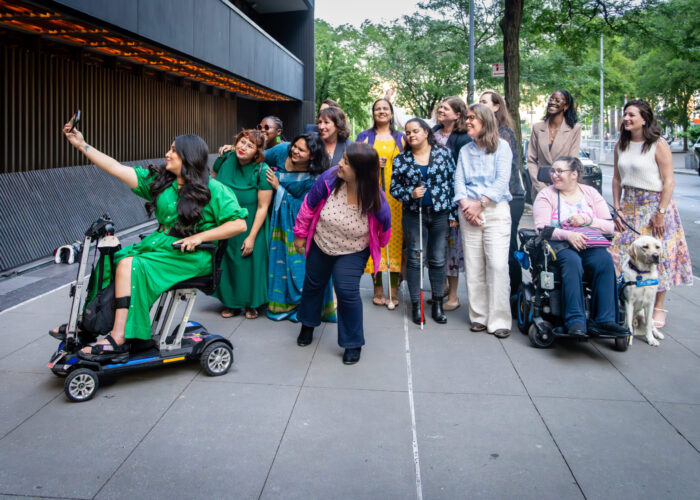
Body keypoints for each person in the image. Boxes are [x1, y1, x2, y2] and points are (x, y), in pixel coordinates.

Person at [54, 126, 248, 356]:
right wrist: (81, 145)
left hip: (190, 254)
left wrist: (200, 237)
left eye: (174, 150)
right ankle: (89, 325)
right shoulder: (163, 181)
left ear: (189, 157)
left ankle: (121, 336)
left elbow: (239, 224)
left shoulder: (215, 189)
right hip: (159, 246)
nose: (167, 153)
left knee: (130, 265)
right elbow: (116, 169)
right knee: (112, 260)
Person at [293, 143, 391, 365]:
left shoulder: (377, 199)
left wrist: (378, 247)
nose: (339, 163)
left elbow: (385, 228)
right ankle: (307, 324)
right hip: (322, 241)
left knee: (346, 290)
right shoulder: (329, 179)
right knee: (313, 283)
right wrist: (300, 234)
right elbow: (309, 205)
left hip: (353, 250)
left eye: (346, 162)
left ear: (360, 170)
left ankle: (352, 343)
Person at [611, 100, 693, 328]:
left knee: (657, 257)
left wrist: (661, 213)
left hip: (654, 204)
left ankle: (657, 307)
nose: (626, 118)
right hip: (628, 206)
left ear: (644, 119)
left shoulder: (658, 144)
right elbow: (617, 179)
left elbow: (669, 181)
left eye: (632, 115)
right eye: (625, 114)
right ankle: (626, 302)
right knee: (619, 253)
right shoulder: (621, 143)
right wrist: (616, 208)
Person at [533, 156, 628, 336]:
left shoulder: (590, 193)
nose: (554, 175)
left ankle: (605, 320)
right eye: (553, 171)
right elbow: (541, 228)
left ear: (574, 174)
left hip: (590, 244)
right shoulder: (546, 195)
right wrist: (568, 234)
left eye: (560, 171)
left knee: (604, 260)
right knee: (572, 262)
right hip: (560, 246)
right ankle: (575, 320)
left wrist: (587, 220)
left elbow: (609, 226)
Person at [453, 103, 512, 338]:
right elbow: (458, 181)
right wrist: (468, 207)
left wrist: (480, 205)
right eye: (467, 117)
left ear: (485, 121)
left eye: (472, 118)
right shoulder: (465, 151)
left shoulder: (502, 148)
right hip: (469, 211)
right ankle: (478, 316)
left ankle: (499, 320)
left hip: (495, 211)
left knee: (497, 265)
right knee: (474, 265)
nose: (467, 121)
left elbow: (501, 181)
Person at [264, 133, 336, 322]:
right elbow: (258, 157)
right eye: (294, 146)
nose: (294, 150)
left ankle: (303, 305)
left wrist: (278, 187)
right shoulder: (281, 151)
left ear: (312, 156)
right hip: (273, 219)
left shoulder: (314, 178)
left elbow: (302, 207)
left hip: (299, 227)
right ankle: (281, 304)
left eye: (301, 150)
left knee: (299, 267)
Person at [390, 118, 455, 324]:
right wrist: (410, 192)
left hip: (439, 214)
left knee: (437, 259)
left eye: (415, 131)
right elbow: (394, 188)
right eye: (408, 133)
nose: (411, 135)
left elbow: (453, 184)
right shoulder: (402, 159)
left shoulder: (444, 154)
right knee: (415, 258)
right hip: (413, 214)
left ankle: (437, 303)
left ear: (426, 132)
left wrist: (453, 214)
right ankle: (416, 306)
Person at [212, 129, 274, 319]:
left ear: (257, 152)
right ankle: (230, 303)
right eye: (242, 142)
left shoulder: (262, 171)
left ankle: (251, 304)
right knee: (227, 262)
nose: (243, 147)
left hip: (251, 224)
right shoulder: (224, 158)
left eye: (250, 146)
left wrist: (252, 236)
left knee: (249, 263)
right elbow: (211, 183)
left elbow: (263, 207)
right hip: (225, 221)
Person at [357, 98, 406, 308]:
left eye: (386, 108)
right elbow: (355, 164)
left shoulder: (402, 138)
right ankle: (377, 289)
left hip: (396, 199)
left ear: (392, 113)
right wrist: (371, 163)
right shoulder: (364, 137)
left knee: (395, 242)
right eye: (378, 108)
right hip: (372, 195)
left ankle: (393, 290)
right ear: (373, 113)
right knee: (373, 239)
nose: (382, 111)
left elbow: (409, 164)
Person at [479, 91, 526, 311]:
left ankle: (514, 295)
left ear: (497, 107)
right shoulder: (483, 133)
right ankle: (498, 295)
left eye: (485, 102)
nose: (481, 105)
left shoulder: (503, 133)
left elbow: (500, 174)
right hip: (492, 197)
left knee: (506, 249)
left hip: (510, 196)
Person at [433, 97, 473, 311]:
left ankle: (454, 296)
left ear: (458, 114)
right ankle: (444, 289)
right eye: (440, 107)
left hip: (453, 198)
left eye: (446, 108)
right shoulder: (433, 133)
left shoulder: (463, 138)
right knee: (437, 247)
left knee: (451, 249)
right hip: (434, 198)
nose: (441, 110)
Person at [527, 90, 581, 200]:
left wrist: (560, 185)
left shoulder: (574, 129)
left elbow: (572, 161)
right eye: (551, 99)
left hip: (563, 189)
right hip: (540, 189)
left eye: (557, 100)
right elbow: (531, 160)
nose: (552, 102)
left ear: (565, 106)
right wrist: (540, 186)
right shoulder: (538, 128)